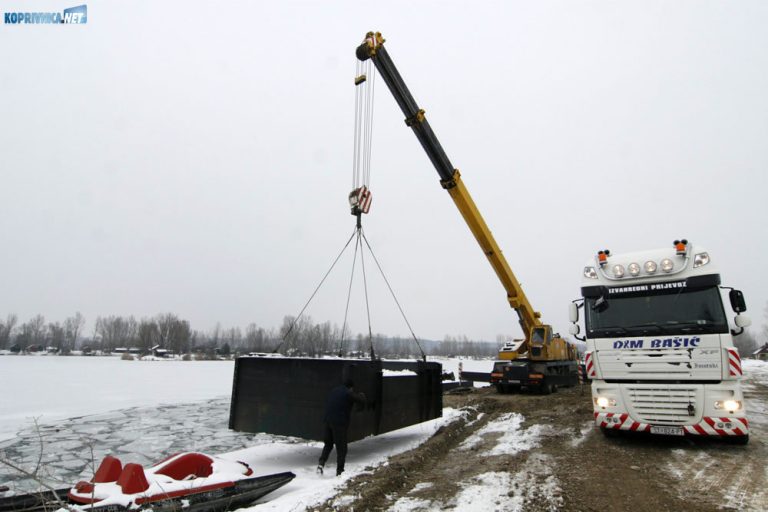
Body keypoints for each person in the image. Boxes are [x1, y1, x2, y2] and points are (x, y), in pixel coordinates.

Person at [317, 378, 368, 476]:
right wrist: (362, 395)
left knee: (328, 444)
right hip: (339, 423)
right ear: (350, 388)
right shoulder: (348, 393)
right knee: (341, 448)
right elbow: (360, 400)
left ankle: (321, 464)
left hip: (328, 421)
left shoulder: (334, 390)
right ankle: (340, 471)